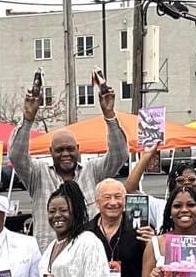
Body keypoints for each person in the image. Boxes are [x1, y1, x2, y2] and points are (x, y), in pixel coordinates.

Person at [10, 71, 128, 211]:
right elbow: (17, 156)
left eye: (70, 149)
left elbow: (119, 155)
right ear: (50, 151)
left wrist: (109, 115)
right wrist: (28, 118)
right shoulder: (38, 174)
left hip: (87, 234)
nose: (65, 154)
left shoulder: (93, 172)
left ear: (78, 149)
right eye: (59, 150)